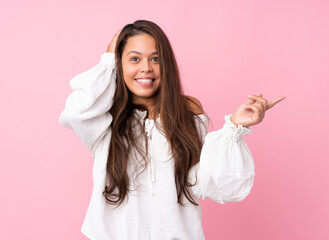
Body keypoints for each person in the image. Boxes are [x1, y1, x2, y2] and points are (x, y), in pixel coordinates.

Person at [59, 20, 285, 240]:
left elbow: (203, 182)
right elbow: (74, 112)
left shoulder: (187, 111)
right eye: (134, 59)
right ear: (119, 63)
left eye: (155, 59)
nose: (146, 68)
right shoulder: (104, 116)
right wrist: (107, 61)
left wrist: (234, 127)